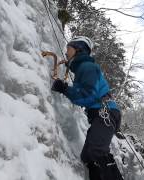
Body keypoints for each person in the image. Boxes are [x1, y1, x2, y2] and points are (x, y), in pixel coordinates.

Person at [51, 36, 124, 180]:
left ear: (79, 49)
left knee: (95, 153)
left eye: (69, 48)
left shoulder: (88, 67)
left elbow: (88, 95)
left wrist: (63, 88)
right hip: (104, 113)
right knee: (88, 156)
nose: (66, 52)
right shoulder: (83, 69)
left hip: (105, 112)